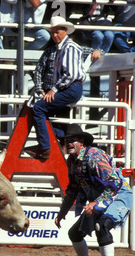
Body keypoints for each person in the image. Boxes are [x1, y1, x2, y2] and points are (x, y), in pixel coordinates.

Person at [54, 124, 132, 256]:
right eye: (67, 140)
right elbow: (73, 189)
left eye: (73, 140)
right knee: (75, 233)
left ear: (81, 142)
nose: (68, 143)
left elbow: (115, 182)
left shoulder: (94, 157)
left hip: (118, 195)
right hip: (101, 198)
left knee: (101, 226)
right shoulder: (72, 162)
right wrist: (62, 212)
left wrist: (96, 203)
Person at [25, 16, 86, 160]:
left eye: (57, 32)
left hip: (70, 87)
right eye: (52, 32)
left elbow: (71, 74)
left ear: (65, 31)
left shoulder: (69, 47)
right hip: (71, 88)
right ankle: (58, 142)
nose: (54, 35)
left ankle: (46, 147)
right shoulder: (63, 48)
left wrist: (53, 90)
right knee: (56, 113)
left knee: (39, 108)